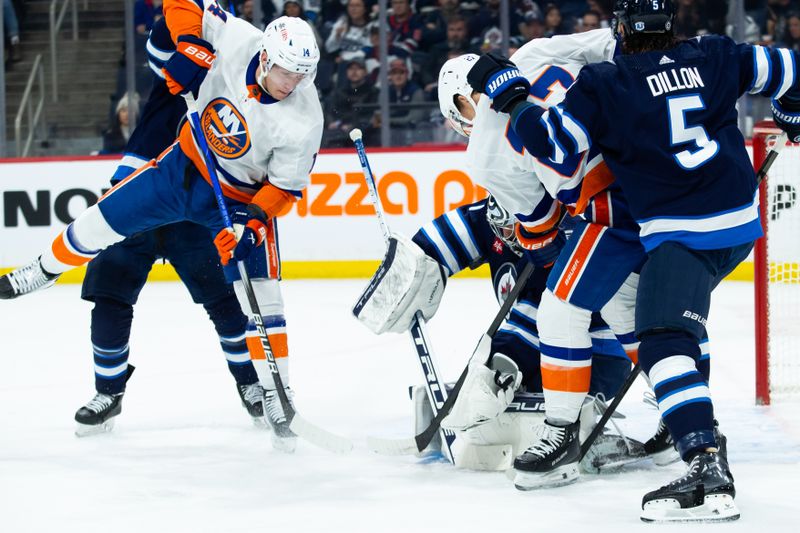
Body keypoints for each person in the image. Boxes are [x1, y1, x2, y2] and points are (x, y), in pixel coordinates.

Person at [467, 0, 800, 522]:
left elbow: (553, 150)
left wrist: (511, 96)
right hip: (735, 220)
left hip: (648, 221)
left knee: (607, 320)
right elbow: (788, 68)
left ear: (622, 28)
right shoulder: (714, 53)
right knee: (645, 317)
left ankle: (657, 443)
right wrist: (792, 113)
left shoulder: (606, 82)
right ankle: (687, 426)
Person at [0, 2, 323, 454]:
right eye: (287, 71)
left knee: (262, 294)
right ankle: (42, 269)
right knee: (99, 222)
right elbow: (184, 4)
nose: (294, 83)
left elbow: (284, 189)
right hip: (181, 169)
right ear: (266, 55)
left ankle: (277, 394)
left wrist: (251, 226)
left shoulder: (305, 119)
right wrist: (190, 43)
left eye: (302, 75)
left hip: (235, 201)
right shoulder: (238, 39)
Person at [75, 17, 265, 437]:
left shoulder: (239, 95)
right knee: (109, 291)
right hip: (137, 200)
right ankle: (108, 392)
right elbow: (164, 40)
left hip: (194, 209)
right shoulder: (174, 80)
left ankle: (251, 384)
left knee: (225, 301)